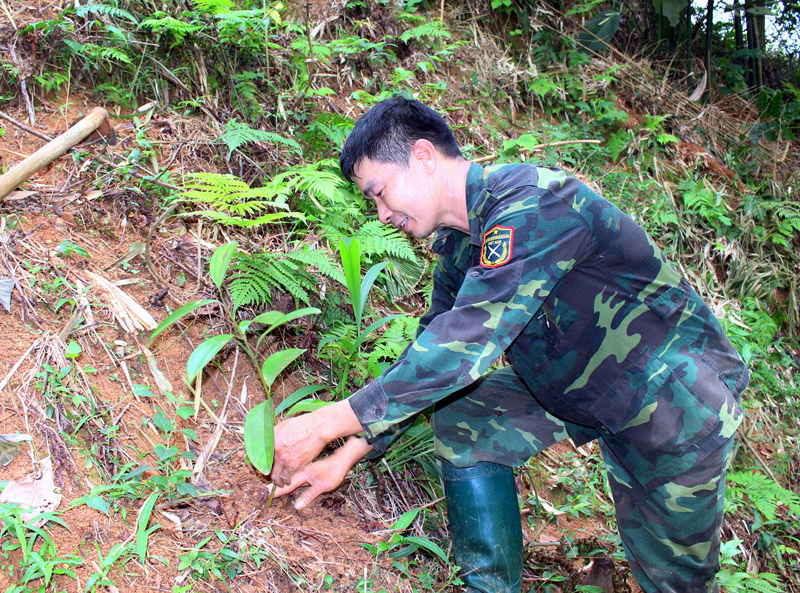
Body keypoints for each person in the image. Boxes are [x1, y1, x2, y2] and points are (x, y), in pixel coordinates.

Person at [268, 97, 748, 593]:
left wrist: (327, 422)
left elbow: (466, 342)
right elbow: (429, 360)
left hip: (673, 401)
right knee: (465, 417)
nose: (383, 213)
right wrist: (346, 454)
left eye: (380, 192)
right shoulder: (460, 249)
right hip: (580, 394)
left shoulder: (534, 204)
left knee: (674, 582)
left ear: (424, 156)